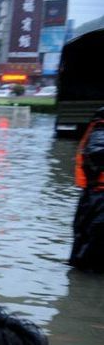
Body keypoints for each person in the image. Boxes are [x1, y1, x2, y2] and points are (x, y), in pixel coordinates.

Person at [69, 107, 104, 272]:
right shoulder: (100, 131)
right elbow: (97, 154)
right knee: (91, 236)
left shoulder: (98, 130)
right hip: (97, 195)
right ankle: (84, 273)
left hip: (95, 195)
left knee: (87, 234)